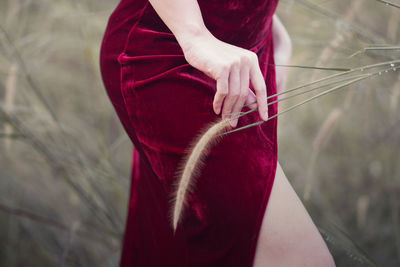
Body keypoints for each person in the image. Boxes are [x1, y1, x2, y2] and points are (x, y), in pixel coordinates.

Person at [99, 0, 336, 266]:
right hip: (175, 56)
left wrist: (269, 22)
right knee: (305, 260)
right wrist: (194, 36)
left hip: (243, 59)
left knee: (178, 253)